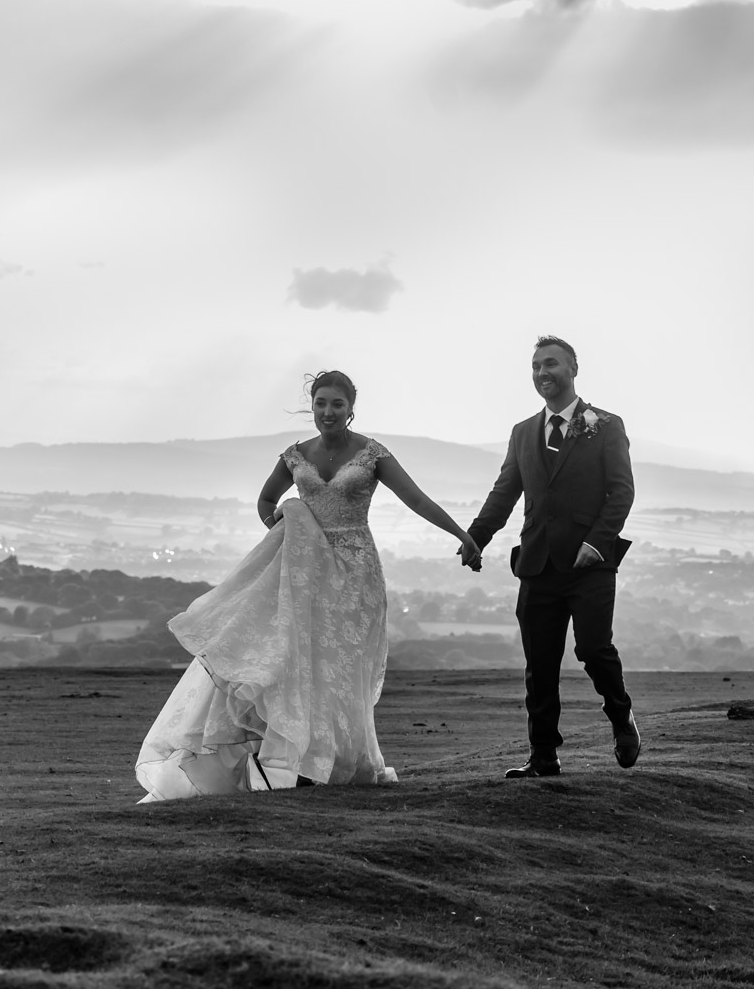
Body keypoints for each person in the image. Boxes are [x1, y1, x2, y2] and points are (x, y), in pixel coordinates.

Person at [134, 370, 480, 800]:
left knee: (340, 669)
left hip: (355, 571)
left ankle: (336, 762)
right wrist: (280, 523)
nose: (328, 412)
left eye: (337, 404)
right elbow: (265, 500)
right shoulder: (295, 455)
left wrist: (462, 535)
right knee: (297, 662)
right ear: (311, 407)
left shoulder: (372, 454)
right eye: (320, 403)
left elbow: (416, 499)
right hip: (304, 571)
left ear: (351, 409)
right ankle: (296, 765)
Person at [463, 336, 640, 777]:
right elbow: (504, 491)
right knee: (539, 663)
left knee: (594, 650)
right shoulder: (523, 432)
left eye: (552, 364)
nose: (544, 373)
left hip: (590, 564)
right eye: (537, 366)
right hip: (537, 564)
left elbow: (621, 492)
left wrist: (597, 542)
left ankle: (622, 719)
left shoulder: (606, 425)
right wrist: (476, 537)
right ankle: (543, 754)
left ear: (573, 368)